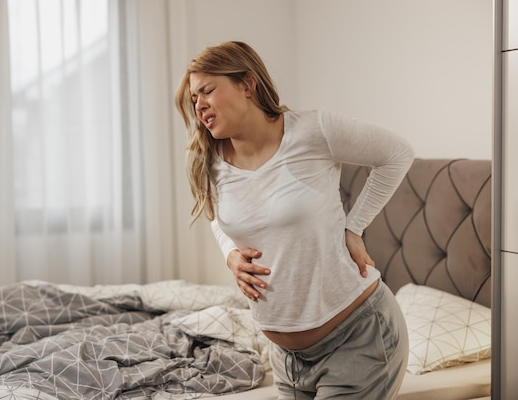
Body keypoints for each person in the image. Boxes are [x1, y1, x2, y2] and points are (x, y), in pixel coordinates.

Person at [174, 40, 415, 400]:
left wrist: (354, 226)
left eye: (207, 90)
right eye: (194, 98)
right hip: (286, 359)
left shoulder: (313, 131)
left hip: (358, 338)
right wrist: (231, 255)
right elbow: (215, 218)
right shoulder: (211, 159)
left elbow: (397, 154)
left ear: (247, 84)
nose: (199, 104)